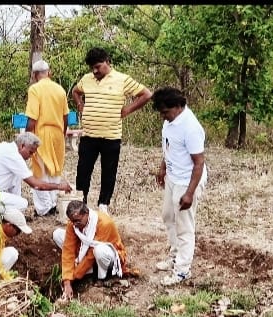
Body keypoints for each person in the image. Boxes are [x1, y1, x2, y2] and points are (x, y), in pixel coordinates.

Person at [71, 47, 152, 214]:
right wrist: (80, 105)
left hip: (111, 136)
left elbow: (146, 94)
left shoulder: (122, 79)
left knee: (109, 171)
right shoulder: (86, 79)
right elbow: (75, 91)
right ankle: (81, 202)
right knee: (83, 170)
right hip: (89, 135)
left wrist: (128, 109)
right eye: (92, 68)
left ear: (108, 62)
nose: (95, 71)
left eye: (98, 66)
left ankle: (103, 204)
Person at [151, 87, 207, 286]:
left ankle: (183, 270)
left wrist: (189, 193)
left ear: (177, 106)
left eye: (165, 112)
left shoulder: (190, 127)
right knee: (168, 216)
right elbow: (169, 146)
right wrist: (162, 168)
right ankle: (174, 256)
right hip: (173, 178)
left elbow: (199, 163)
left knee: (184, 226)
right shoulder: (170, 121)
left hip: (187, 181)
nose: (163, 117)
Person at [0, 132, 72, 217]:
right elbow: (36, 185)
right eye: (30, 152)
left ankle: (6, 215)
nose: (31, 156)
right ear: (22, 146)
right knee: (22, 204)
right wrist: (59, 186)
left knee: (17, 180)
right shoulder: (13, 156)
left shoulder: (5, 147)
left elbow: (15, 185)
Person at [52, 200, 128, 300]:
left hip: (107, 258)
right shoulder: (73, 223)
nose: (75, 224)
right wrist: (66, 281)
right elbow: (68, 250)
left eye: (77, 221)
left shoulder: (104, 223)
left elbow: (91, 256)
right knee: (57, 234)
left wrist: (74, 276)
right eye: (72, 221)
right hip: (86, 252)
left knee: (98, 250)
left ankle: (104, 277)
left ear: (86, 214)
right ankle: (83, 268)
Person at [25, 60, 70, 216]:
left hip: (41, 134)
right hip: (58, 134)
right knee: (55, 170)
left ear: (35, 75)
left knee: (40, 171)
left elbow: (32, 118)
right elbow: (66, 116)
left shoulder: (35, 90)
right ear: (49, 73)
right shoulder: (60, 90)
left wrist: (26, 138)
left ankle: (44, 208)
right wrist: (62, 134)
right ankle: (53, 204)